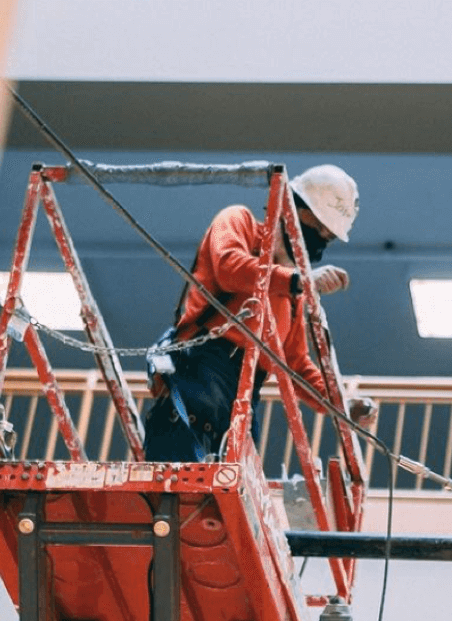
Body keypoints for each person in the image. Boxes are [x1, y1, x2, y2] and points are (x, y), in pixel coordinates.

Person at [143, 164, 359, 462]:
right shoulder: (239, 222)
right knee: (185, 474)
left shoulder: (293, 295)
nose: (320, 238)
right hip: (204, 369)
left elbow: (296, 363)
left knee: (240, 484)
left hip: (246, 395)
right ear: (291, 208)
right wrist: (297, 281)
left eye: (328, 235)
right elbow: (229, 267)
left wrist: (340, 405)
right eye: (318, 225)